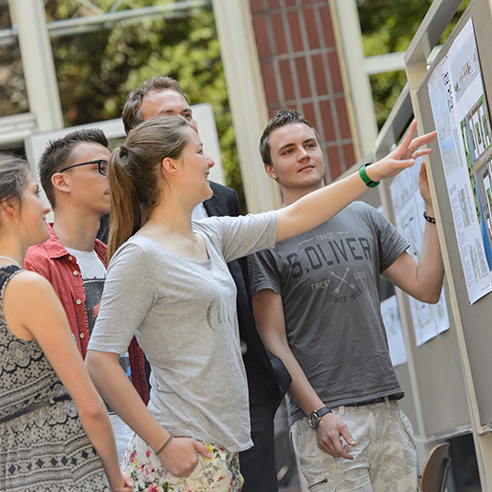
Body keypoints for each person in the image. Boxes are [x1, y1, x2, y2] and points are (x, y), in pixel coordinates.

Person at [84, 114, 436, 492]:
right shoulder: (140, 255)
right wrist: (163, 443)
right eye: (199, 152)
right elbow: (100, 362)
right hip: (181, 453)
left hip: (224, 450)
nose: (210, 163)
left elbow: (297, 215)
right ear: (170, 166)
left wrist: (374, 173)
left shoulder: (210, 234)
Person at [248, 109, 443, 491]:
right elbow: (273, 341)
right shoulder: (264, 237)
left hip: (386, 403)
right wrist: (317, 413)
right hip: (325, 418)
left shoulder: (364, 217)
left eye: (309, 145)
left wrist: (431, 210)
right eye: (288, 151)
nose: (303, 154)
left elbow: (426, 287)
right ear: (271, 170)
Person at [122, 76, 291, 492]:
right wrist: (160, 439)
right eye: (170, 117)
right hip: (181, 413)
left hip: (247, 391)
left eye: (187, 115)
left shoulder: (221, 201)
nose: (186, 125)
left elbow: (249, 278)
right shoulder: (128, 230)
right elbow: (105, 352)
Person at [0, 154, 132, 492]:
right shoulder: (26, 288)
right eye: (34, 193)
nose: (45, 207)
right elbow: (89, 404)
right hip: (66, 467)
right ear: (9, 208)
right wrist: (115, 478)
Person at [22, 129, 148, 462]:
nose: (114, 176)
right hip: (80, 437)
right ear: (62, 182)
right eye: (100, 167)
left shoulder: (116, 256)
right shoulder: (35, 263)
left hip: (136, 423)